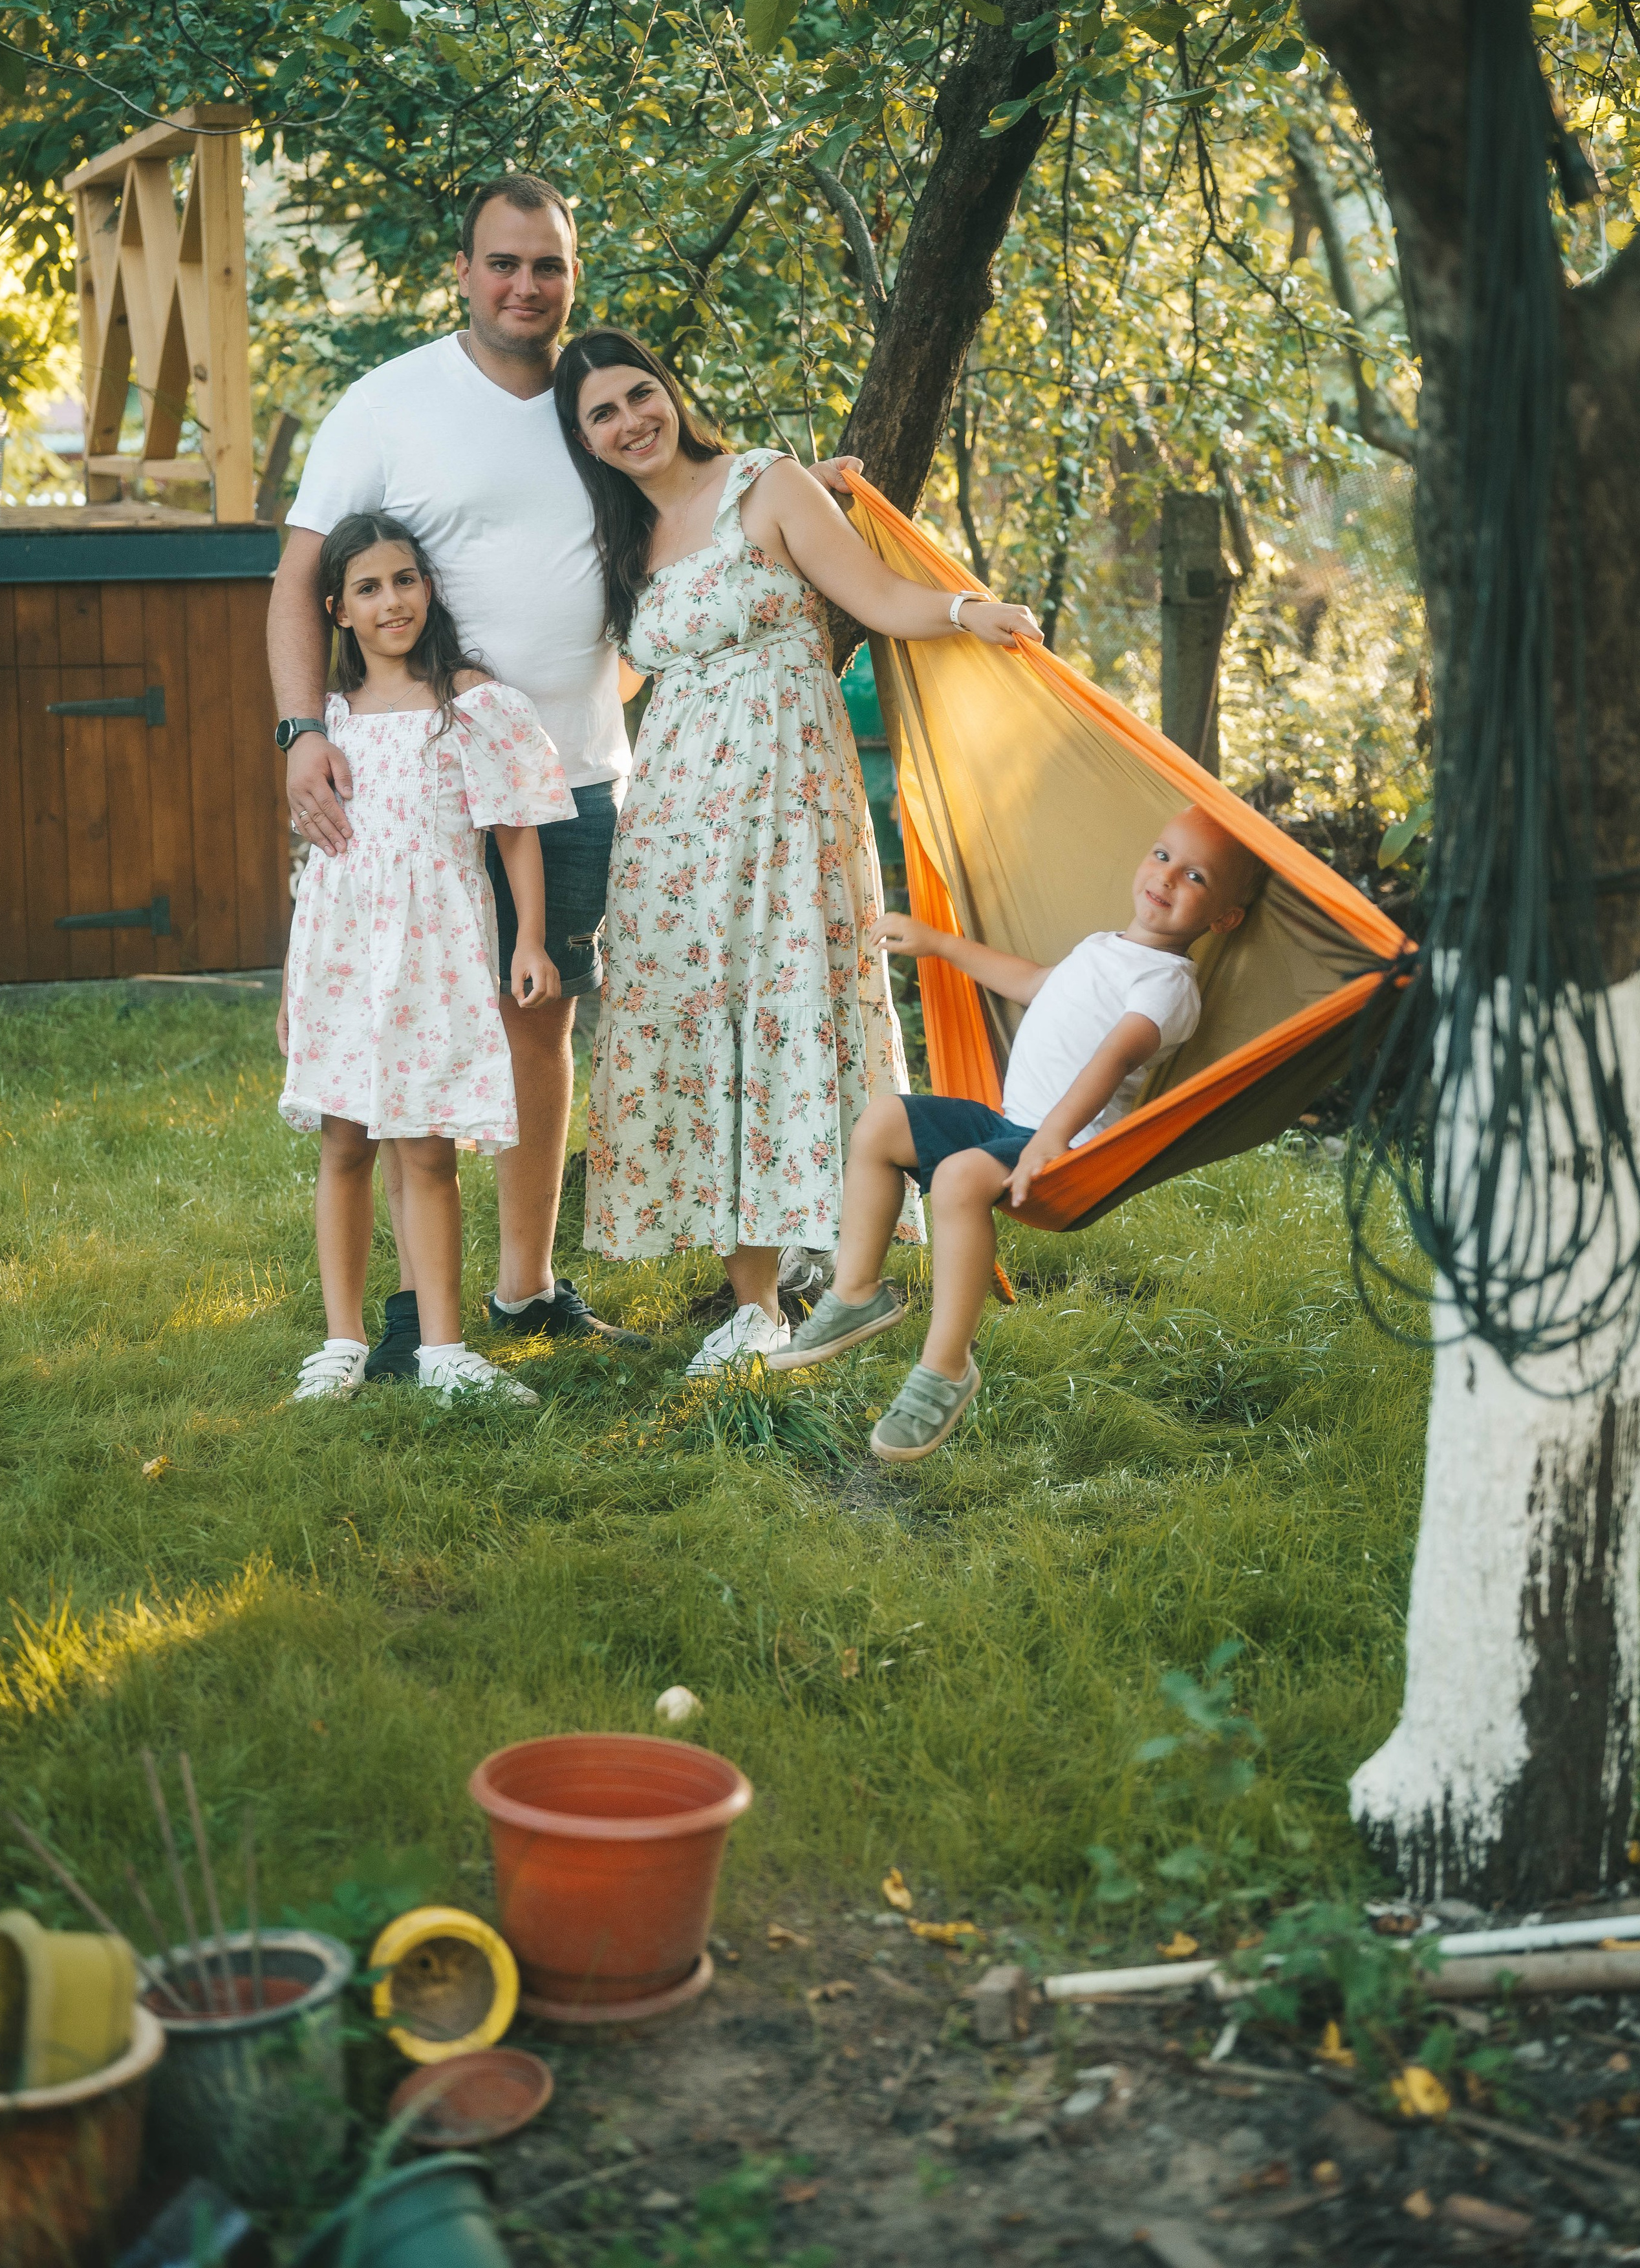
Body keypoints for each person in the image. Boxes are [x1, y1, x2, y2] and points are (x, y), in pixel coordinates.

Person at [267, 173, 857, 1378]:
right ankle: (405, 1307)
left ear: (571, 273)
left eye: (548, 265)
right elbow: (299, 578)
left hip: (575, 770)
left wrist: (822, 497)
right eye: (503, 263)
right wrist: (298, 732)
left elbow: (697, 503)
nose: (525, 286)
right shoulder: (388, 405)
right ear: (464, 271)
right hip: (412, 780)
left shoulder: (599, 404)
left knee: (541, 1018)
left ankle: (523, 1285)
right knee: (406, 1015)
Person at [552, 327, 1044, 1376]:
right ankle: (755, 1302)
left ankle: (830, 1264)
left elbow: (874, 599)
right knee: (705, 1023)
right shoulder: (623, 541)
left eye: (640, 392)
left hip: (785, 807)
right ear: (585, 439)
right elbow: (627, 678)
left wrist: (967, 611)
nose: (630, 419)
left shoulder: (766, 484)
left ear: (671, 389)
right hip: (676, 821)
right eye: (603, 413)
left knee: (789, 1008)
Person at [771, 806, 1266, 1460]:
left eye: (1196, 876)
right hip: (1013, 1122)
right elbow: (1035, 984)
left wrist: (1048, 1140)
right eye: (1162, 854)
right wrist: (941, 942)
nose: (1167, 877)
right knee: (882, 1120)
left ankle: (945, 1366)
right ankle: (856, 1292)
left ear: (1224, 919)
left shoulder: (1167, 985)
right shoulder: (1101, 947)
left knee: (958, 1177)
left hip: (1072, 1147)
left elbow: (1111, 1060)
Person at [279, 512, 575, 1404]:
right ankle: (342, 1344)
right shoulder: (327, 725)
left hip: (436, 951)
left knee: (429, 1149)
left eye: (404, 580)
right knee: (343, 1141)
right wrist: (297, 988)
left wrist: (528, 939)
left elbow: (513, 833)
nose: (391, 601)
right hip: (339, 949)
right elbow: (318, 861)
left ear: (429, 589)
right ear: (337, 610)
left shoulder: (469, 703)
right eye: (368, 588)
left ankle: (444, 1352)